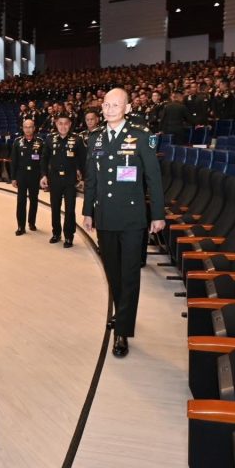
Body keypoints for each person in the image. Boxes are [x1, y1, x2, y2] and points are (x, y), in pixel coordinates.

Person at [83, 88, 165, 358]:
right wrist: (87, 211)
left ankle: (123, 331)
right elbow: (92, 179)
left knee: (129, 275)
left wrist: (158, 214)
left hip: (131, 218)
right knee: (113, 273)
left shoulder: (141, 136)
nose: (109, 110)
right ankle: (122, 312)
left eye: (115, 105)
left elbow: (153, 177)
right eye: (106, 105)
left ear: (127, 109)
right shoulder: (95, 138)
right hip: (105, 216)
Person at [40, 111, 86, 248]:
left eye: (66, 123)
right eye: (60, 123)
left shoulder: (77, 139)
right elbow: (44, 159)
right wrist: (43, 175)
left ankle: (69, 236)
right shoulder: (50, 139)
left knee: (70, 210)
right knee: (55, 208)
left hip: (70, 180)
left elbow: (83, 160)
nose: (63, 126)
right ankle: (56, 233)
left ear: (70, 124)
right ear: (56, 124)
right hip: (54, 179)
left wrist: (82, 177)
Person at [11, 118, 44, 235]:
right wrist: (13, 178)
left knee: (34, 200)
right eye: (26, 127)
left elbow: (43, 161)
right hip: (22, 175)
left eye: (30, 127)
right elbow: (14, 161)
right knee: (21, 201)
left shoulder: (40, 142)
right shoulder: (17, 142)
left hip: (35, 176)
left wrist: (43, 176)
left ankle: (32, 222)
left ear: (34, 128)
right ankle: (21, 226)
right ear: (23, 128)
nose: (28, 129)